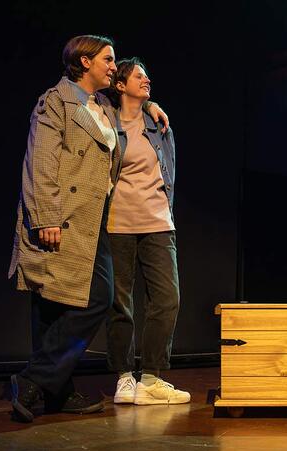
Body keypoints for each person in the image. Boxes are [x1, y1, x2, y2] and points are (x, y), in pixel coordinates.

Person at [8, 35, 168, 423]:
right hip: (60, 219)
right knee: (75, 301)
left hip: (91, 222)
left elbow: (131, 106)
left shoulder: (101, 106)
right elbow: (41, 161)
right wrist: (45, 217)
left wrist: (148, 102)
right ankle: (37, 382)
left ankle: (52, 389)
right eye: (108, 59)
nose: (114, 67)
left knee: (75, 302)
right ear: (84, 61)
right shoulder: (56, 102)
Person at [103, 58, 189, 405]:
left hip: (158, 224)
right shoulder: (104, 120)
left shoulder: (159, 126)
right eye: (139, 76)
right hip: (118, 224)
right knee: (119, 304)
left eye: (147, 76)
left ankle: (151, 378)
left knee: (167, 299)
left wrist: (150, 105)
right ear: (120, 85)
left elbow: (167, 177)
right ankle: (124, 377)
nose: (147, 79)